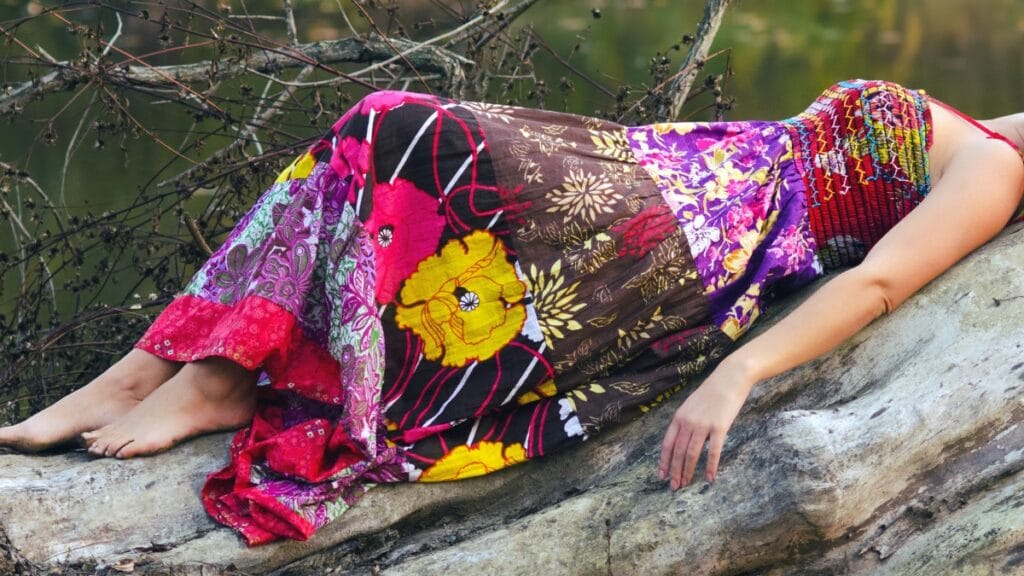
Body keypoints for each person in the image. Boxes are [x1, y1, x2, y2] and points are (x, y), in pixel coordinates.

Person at [1, 79, 1022, 546]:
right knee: (374, 128)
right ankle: (150, 368)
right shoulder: (987, 130)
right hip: (670, 165)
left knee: (400, 130)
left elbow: (877, 283)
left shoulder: (996, 172)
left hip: (685, 235)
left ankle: (211, 377)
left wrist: (738, 373)